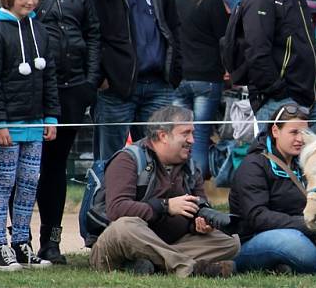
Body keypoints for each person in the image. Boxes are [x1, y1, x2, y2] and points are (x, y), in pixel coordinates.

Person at [0, 0, 100, 264]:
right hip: (21, 96)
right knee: (16, 173)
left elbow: (93, 32)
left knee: (51, 170)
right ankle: (16, 241)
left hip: (67, 90)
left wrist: (90, 82)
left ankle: (50, 239)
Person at [89, 105, 240, 277]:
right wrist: (165, 206)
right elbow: (117, 210)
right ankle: (189, 268)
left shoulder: (190, 167)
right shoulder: (128, 159)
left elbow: (199, 205)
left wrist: (199, 225)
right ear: (163, 136)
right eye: (185, 133)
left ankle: (150, 264)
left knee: (231, 242)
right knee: (125, 226)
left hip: (168, 243)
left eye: (192, 133)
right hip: (116, 244)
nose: (192, 140)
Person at [84, 0, 182, 161]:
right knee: (110, 162)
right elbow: (89, 34)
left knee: (159, 161)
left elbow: (172, 24)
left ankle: (153, 204)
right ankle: (105, 203)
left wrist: (174, 70)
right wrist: (101, 78)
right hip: (116, 88)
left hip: (158, 84)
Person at [0, 0, 60, 271]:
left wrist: (51, 116)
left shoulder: (39, 31)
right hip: (7, 126)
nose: (30, 2)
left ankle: (21, 243)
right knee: (5, 183)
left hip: (35, 123)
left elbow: (49, 76)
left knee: (29, 183)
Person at [229, 104, 316, 274]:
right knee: (292, 241)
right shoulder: (253, 165)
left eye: (304, 133)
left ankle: (294, 265)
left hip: (306, 235)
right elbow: (257, 216)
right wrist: (305, 226)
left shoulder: (303, 163)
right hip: (255, 241)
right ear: (275, 131)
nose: (300, 139)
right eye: (293, 132)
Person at [241, 0, 316, 131]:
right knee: (278, 162)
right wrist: (279, 93)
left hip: (306, 100)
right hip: (282, 103)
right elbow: (257, 52)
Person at [172, 0, 229, 178]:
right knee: (200, 136)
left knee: (179, 136)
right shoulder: (214, 3)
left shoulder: (175, 0)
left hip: (179, 76)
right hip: (207, 78)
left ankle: (180, 186)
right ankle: (198, 192)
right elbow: (225, 41)